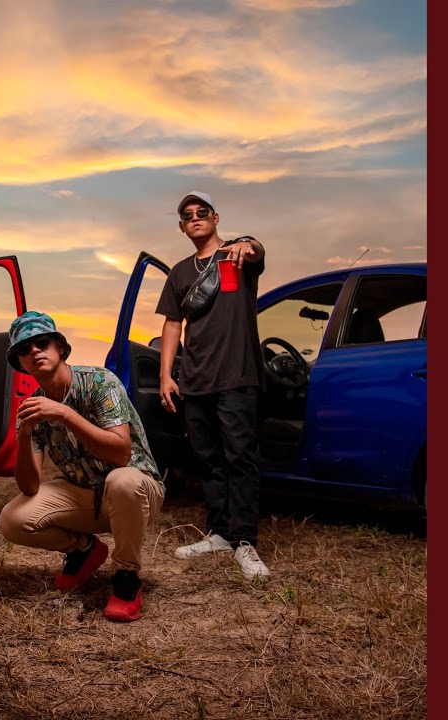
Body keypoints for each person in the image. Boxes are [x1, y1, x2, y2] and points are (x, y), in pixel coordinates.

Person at [0, 311, 165, 622]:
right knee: (13, 519)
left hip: (137, 492)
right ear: (20, 363)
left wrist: (65, 414)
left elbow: (120, 455)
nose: (34, 350)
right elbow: (29, 487)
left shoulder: (99, 382)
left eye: (42, 342)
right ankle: (85, 549)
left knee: (122, 481)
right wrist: (24, 435)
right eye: (24, 348)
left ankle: (126, 576)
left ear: (60, 348)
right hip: (86, 494)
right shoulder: (34, 406)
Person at [155, 191, 272, 580]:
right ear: (181, 226)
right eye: (187, 215)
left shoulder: (237, 257)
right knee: (208, 460)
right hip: (196, 379)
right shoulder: (179, 272)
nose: (195, 217)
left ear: (215, 217)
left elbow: (256, 251)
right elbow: (172, 324)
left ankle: (244, 540)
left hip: (237, 375)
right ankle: (220, 532)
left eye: (201, 212)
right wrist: (166, 375)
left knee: (241, 458)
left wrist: (247, 243)